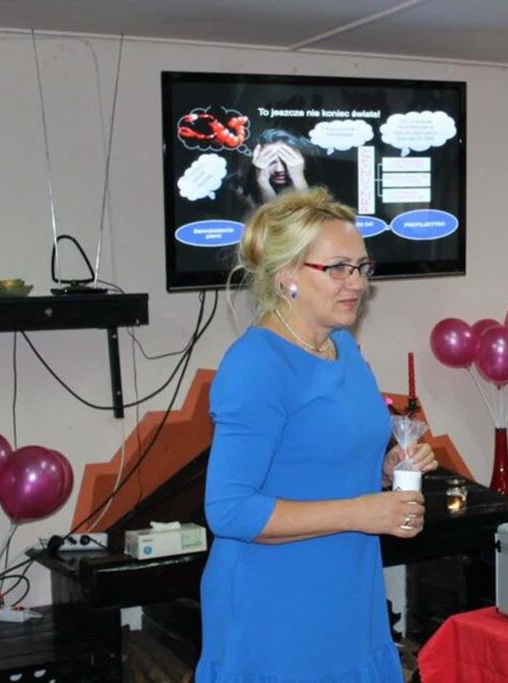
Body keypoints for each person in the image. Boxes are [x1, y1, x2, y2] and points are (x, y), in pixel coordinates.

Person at [197, 187, 438, 682]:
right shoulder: (256, 365)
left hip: (348, 592)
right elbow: (229, 509)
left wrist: (385, 470)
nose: (357, 283)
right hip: (273, 607)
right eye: (337, 269)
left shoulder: (343, 348)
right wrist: (363, 512)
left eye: (362, 267)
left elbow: (315, 461)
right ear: (287, 275)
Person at [230, 129, 313, 214]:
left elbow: (308, 216)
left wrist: (298, 178)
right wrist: (262, 180)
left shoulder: (316, 181)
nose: (279, 169)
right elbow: (274, 217)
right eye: (271, 161)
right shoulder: (241, 188)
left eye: (286, 161)